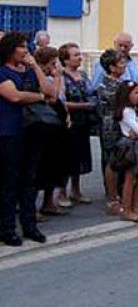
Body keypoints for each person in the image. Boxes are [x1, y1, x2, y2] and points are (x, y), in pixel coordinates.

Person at [0, 32, 54, 246]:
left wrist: (36, 68)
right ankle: (7, 228)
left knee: (29, 181)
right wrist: (39, 97)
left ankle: (30, 226)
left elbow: (50, 91)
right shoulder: (3, 72)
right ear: (10, 49)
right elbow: (13, 96)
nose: (26, 51)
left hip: (32, 130)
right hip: (9, 132)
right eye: (21, 47)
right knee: (9, 181)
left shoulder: (30, 71)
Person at [33, 47, 71, 219]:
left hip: (57, 123)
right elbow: (52, 96)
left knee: (55, 165)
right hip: (42, 125)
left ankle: (49, 202)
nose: (56, 66)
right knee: (39, 167)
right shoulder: (38, 75)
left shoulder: (56, 76)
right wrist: (56, 77)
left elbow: (61, 98)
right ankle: (32, 207)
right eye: (53, 62)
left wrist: (66, 114)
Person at [57, 43, 95, 208]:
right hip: (69, 122)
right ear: (65, 59)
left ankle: (76, 190)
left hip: (83, 122)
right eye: (75, 55)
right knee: (66, 157)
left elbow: (91, 93)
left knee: (80, 156)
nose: (79, 57)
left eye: (79, 54)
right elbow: (62, 101)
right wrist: (84, 106)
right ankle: (62, 192)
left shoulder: (83, 75)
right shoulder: (62, 77)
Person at [94, 49, 127, 215]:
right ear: (112, 67)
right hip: (111, 127)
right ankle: (112, 198)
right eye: (121, 63)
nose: (125, 66)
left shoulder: (120, 83)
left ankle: (121, 194)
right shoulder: (106, 85)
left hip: (120, 126)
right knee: (112, 162)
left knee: (121, 160)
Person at [113, 81, 138, 223]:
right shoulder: (126, 111)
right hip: (131, 146)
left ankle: (133, 207)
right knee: (131, 178)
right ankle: (127, 208)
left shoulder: (133, 110)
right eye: (135, 93)